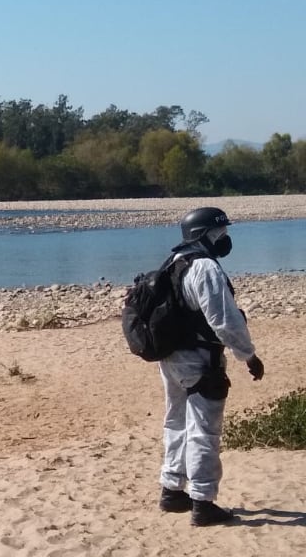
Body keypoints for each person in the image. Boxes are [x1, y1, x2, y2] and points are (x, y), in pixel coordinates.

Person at [157, 207, 264, 526]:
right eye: (220, 232)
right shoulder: (205, 267)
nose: (224, 238)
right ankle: (203, 503)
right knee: (204, 430)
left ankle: (172, 491)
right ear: (202, 235)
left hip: (171, 357)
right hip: (200, 360)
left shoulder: (175, 261)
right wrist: (248, 356)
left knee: (176, 422)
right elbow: (224, 320)